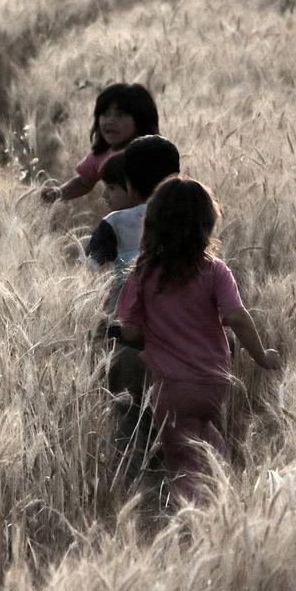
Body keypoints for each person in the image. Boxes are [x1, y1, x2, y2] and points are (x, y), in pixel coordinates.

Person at [115, 177, 281, 503]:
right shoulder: (216, 270)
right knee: (205, 435)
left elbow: (130, 331)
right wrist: (261, 355)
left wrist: (155, 328)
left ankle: (195, 521)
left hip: (173, 387)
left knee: (181, 459)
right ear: (206, 224)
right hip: (214, 382)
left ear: (153, 224)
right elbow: (236, 316)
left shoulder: (144, 273)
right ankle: (230, 493)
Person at [86, 136, 181, 475]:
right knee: (177, 419)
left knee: (126, 414)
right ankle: (177, 482)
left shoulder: (114, 224)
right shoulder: (189, 220)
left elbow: (90, 278)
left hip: (124, 339)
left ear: (129, 182)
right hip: (181, 341)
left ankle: (132, 488)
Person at [41, 83, 158, 204]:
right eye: (105, 114)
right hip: (117, 221)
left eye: (120, 115)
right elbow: (83, 182)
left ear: (141, 120)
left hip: (152, 218)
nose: (110, 121)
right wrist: (58, 192)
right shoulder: (101, 156)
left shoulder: (152, 151)